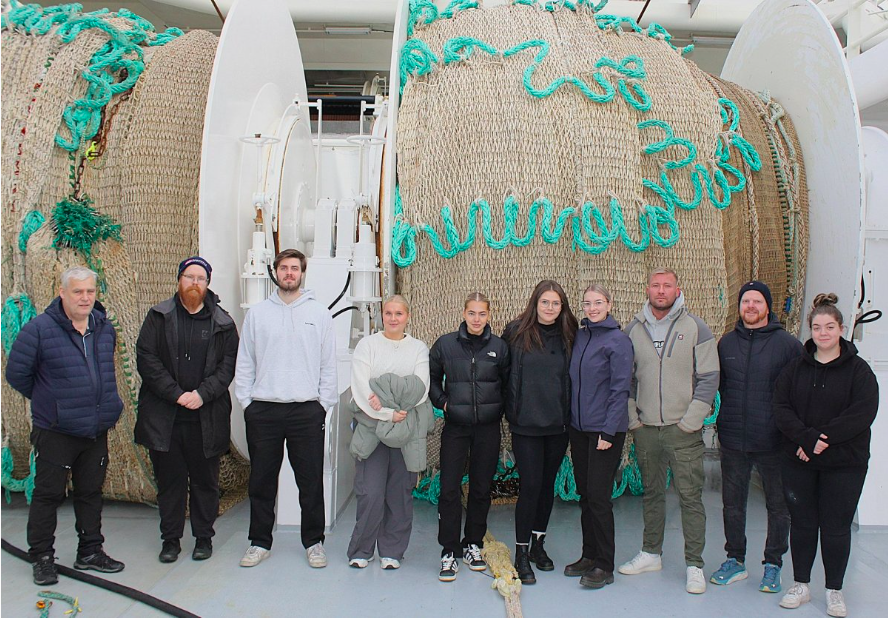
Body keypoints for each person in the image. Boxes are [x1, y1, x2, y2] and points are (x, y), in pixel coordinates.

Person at [6, 266, 126, 585]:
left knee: (90, 493)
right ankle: (42, 557)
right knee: (48, 495)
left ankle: (90, 551)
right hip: (56, 431)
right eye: (78, 291)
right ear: (63, 293)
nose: (85, 297)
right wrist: (52, 402)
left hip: (95, 429)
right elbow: (17, 374)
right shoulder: (39, 330)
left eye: (90, 291)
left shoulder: (104, 328)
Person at [773, 293, 878, 618]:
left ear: (841, 329)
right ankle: (801, 584)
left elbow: (862, 413)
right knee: (803, 524)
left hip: (844, 464)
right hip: (800, 460)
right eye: (817, 327)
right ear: (810, 330)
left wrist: (823, 440)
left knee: (835, 527)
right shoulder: (795, 369)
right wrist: (806, 439)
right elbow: (781, 407)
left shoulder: (859, 372)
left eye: (829, 327)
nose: (823, 333)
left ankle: (834, 590)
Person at [234, 248, 337, 569]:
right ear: (275, 272)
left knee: (309, 482)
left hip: (306, 412)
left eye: (294, 268)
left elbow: (328, 365)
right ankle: (259, 542)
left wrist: (322, 405)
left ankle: (314, 542)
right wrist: (247, 403)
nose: (289, 273)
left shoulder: (319, 314)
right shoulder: (258, 314)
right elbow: (245, 362)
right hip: (263, 410)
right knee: (262, 481)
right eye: (284, 268)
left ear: (302, 273)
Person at [618, 268, 719, 595]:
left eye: (667, 286)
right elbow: (626, 380)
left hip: (683, 431)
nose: (661, 291)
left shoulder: (696, 328)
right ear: (647, 289)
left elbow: (709, 378)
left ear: (678, 289)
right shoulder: (633, 329)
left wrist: (692, 420)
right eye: (655, 285)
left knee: (690, 496)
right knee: (652, 493)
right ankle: (651, 553)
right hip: (647, 430)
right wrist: (633, 419)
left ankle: (695, 565)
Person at [134, 256, 239, 563]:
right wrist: (177, 394)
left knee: (206, 483)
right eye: (189, 277)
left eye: (201, 278)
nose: (195, 283)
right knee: (170, 483)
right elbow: (147, 360)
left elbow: (227, 367)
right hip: (165, 418)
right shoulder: (158, 317)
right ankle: (170, 540)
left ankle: (203, 538)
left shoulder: (223, 323)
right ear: (179, 280)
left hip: (206, 418)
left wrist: (202, 395)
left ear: (207, 284)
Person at [710, 281, 802, 592]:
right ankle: (735, 560)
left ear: (767, 306)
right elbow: (718, 389)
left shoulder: (788, 346)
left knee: (778, 506)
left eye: (757, 301)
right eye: (746, 301)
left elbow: (798, 394)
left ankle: (773, 564)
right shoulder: (726, 344)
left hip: (774, 442)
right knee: (732, 504)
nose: (750, 306)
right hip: (734, 439)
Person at [429, 292, 510, 582]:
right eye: (472, 313)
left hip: (488, 428)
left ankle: (473, 544)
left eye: (482, 314)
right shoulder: (446, 345)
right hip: (456, 428)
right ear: (464, 313)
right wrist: (444, 403)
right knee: (449, 488)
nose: (477, 319)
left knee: (480, 487)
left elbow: (508, 383)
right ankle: (449, 550)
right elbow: (432, 379)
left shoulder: (499, 347)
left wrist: (499, 409)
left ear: (489, 315)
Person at [502, 280, 578, 585]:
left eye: (555, 303)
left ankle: (538, 545)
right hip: (526, 424)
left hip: (558, 425)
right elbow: (499, 372)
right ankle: (520, 552)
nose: (550, 308)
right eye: (545, 302)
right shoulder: (516, 332)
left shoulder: (571, 335)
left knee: (547, 486)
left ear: (563, 307)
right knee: (530, 486)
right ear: (535, 303)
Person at [347, 295, 430, 570]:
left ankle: (392, 551)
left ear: (408, 316)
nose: (393, 318)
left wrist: (387, 400)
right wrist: (385, 413)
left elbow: (420, 389)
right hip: (372, 427)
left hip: (405, 427)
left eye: (399, 313)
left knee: (399, 493)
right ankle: (362, 549)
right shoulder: (367, 345)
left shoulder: (418, 348)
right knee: (370, 492)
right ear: (382, 315)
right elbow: (361, 387)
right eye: (388, 313)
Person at [565, 284, 633, 589]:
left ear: (609, 303)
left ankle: (605, 565)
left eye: (598, 303)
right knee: (585, 496)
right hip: (579, 429)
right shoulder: (580, 336)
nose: (592, 308)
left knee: (599, 498)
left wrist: (608, 430)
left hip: (605, 431)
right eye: (587, 303)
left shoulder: (618, 341)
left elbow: (621, 389)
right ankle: (588, 554)